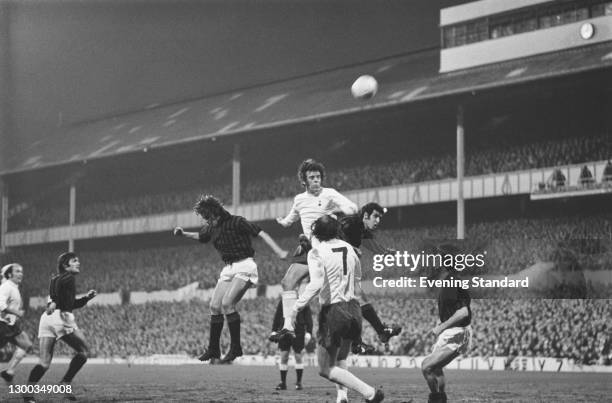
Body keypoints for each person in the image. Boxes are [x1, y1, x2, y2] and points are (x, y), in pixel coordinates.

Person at [173, 194, 288, 363]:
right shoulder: (212, 226)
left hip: (245, 265)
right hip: (228, 268)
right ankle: (213, 349)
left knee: (227, 304)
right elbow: (201, 237)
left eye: (207, 217)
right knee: (214, 306)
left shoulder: (237, 221)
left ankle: (236, 348)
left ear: (215, 213)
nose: (207, 221)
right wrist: (183, 234)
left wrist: (278, 251)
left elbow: (261, 232)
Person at [290, 216, 384, 403]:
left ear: (316, 232)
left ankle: (370, 393)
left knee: (325, 368)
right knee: (341, 358)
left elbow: (315, 284)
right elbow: (357, 283)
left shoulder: (316, 252)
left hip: (333, 311)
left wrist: (296, 307)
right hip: (354, 309)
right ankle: (342, 397)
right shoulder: (351, 249)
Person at [273, 159, 357, 340]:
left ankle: (352, 334)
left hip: (327, 247)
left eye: (318, 177)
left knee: (328, 290)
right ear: (304, 180)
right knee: (287, 282)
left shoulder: (329, 194)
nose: (316, 181)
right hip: (310, 248)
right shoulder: (299, 200)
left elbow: (351, 207)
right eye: (312, 177)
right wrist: (283, 222)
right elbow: (291, 219)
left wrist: (346, 209)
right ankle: (288, 326)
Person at [24, 252, 97, 403]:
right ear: (66, 265)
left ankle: (28, 396)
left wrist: (86, 298)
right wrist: (55, 302)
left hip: (46, 319)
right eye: (74, 261)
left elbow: (66, 301)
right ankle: (65, 383)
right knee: (84, 351)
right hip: (61, 317)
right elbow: (61, 301)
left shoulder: (55, 278)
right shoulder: (69, 277)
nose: (78, 263)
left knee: (44, 363)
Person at [339, 202, 402, 354]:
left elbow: (371, 244)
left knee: (356, 301)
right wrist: (351, 248)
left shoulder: (362, 228)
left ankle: (360, 340)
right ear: (365, 215)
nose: (378, 221)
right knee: (355, 300)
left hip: (342, 265)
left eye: (380, 217)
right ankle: (375, 334)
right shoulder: (351, 223)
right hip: (332, 265)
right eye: (375, 216)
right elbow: (334, 238)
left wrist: (385, 252)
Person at [421, 244, 472, 403]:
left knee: (426, 367)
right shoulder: (452, 280)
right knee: (435, 369)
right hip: (454, 332)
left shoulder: (451, 281)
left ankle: (437, 399)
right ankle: (440, 398)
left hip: (457, 334)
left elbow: (463, 312)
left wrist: (439, 328)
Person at [0, 263, 33, 384]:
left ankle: (9, 372)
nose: (21, 274)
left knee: (27, 345)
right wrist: (17, 312)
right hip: (1, 326)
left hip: (11, 326)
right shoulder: (6, 287)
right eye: (17, 271)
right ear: (9, 274)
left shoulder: (15, 288)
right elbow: (1, 305)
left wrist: (15, 316)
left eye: (21, 271)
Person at [272, 298, 313, 391]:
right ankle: (283, 383)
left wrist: (309, 332)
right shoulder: (283, 300)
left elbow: (308, 318)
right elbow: (277, 316)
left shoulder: (303, 299)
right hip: (284, 330)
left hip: (298, 330)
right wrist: (274, 330)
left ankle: (299, 383)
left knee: (298, 356)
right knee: (284, 356)